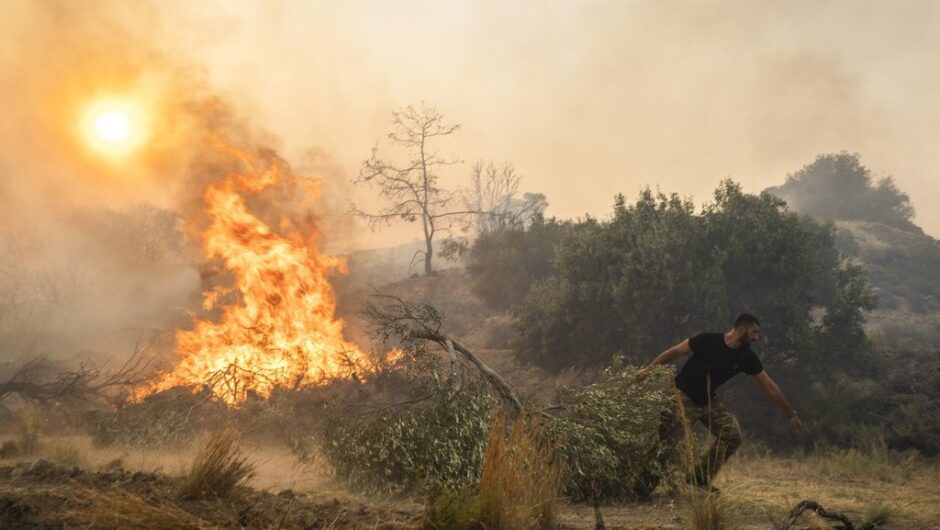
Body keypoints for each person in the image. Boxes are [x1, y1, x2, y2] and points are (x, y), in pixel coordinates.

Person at [634, 313, 805, 491]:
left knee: (732, 436)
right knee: (666, 444)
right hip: (681, 397)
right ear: (742, 329)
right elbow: (675, 351)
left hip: (708, 401)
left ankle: (698, 480)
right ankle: (640, 489)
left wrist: (790, 414)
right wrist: (648, 370)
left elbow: (769, 386)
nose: (757, 338)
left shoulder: (746, 357)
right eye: (754, 332)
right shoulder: (707, 340)